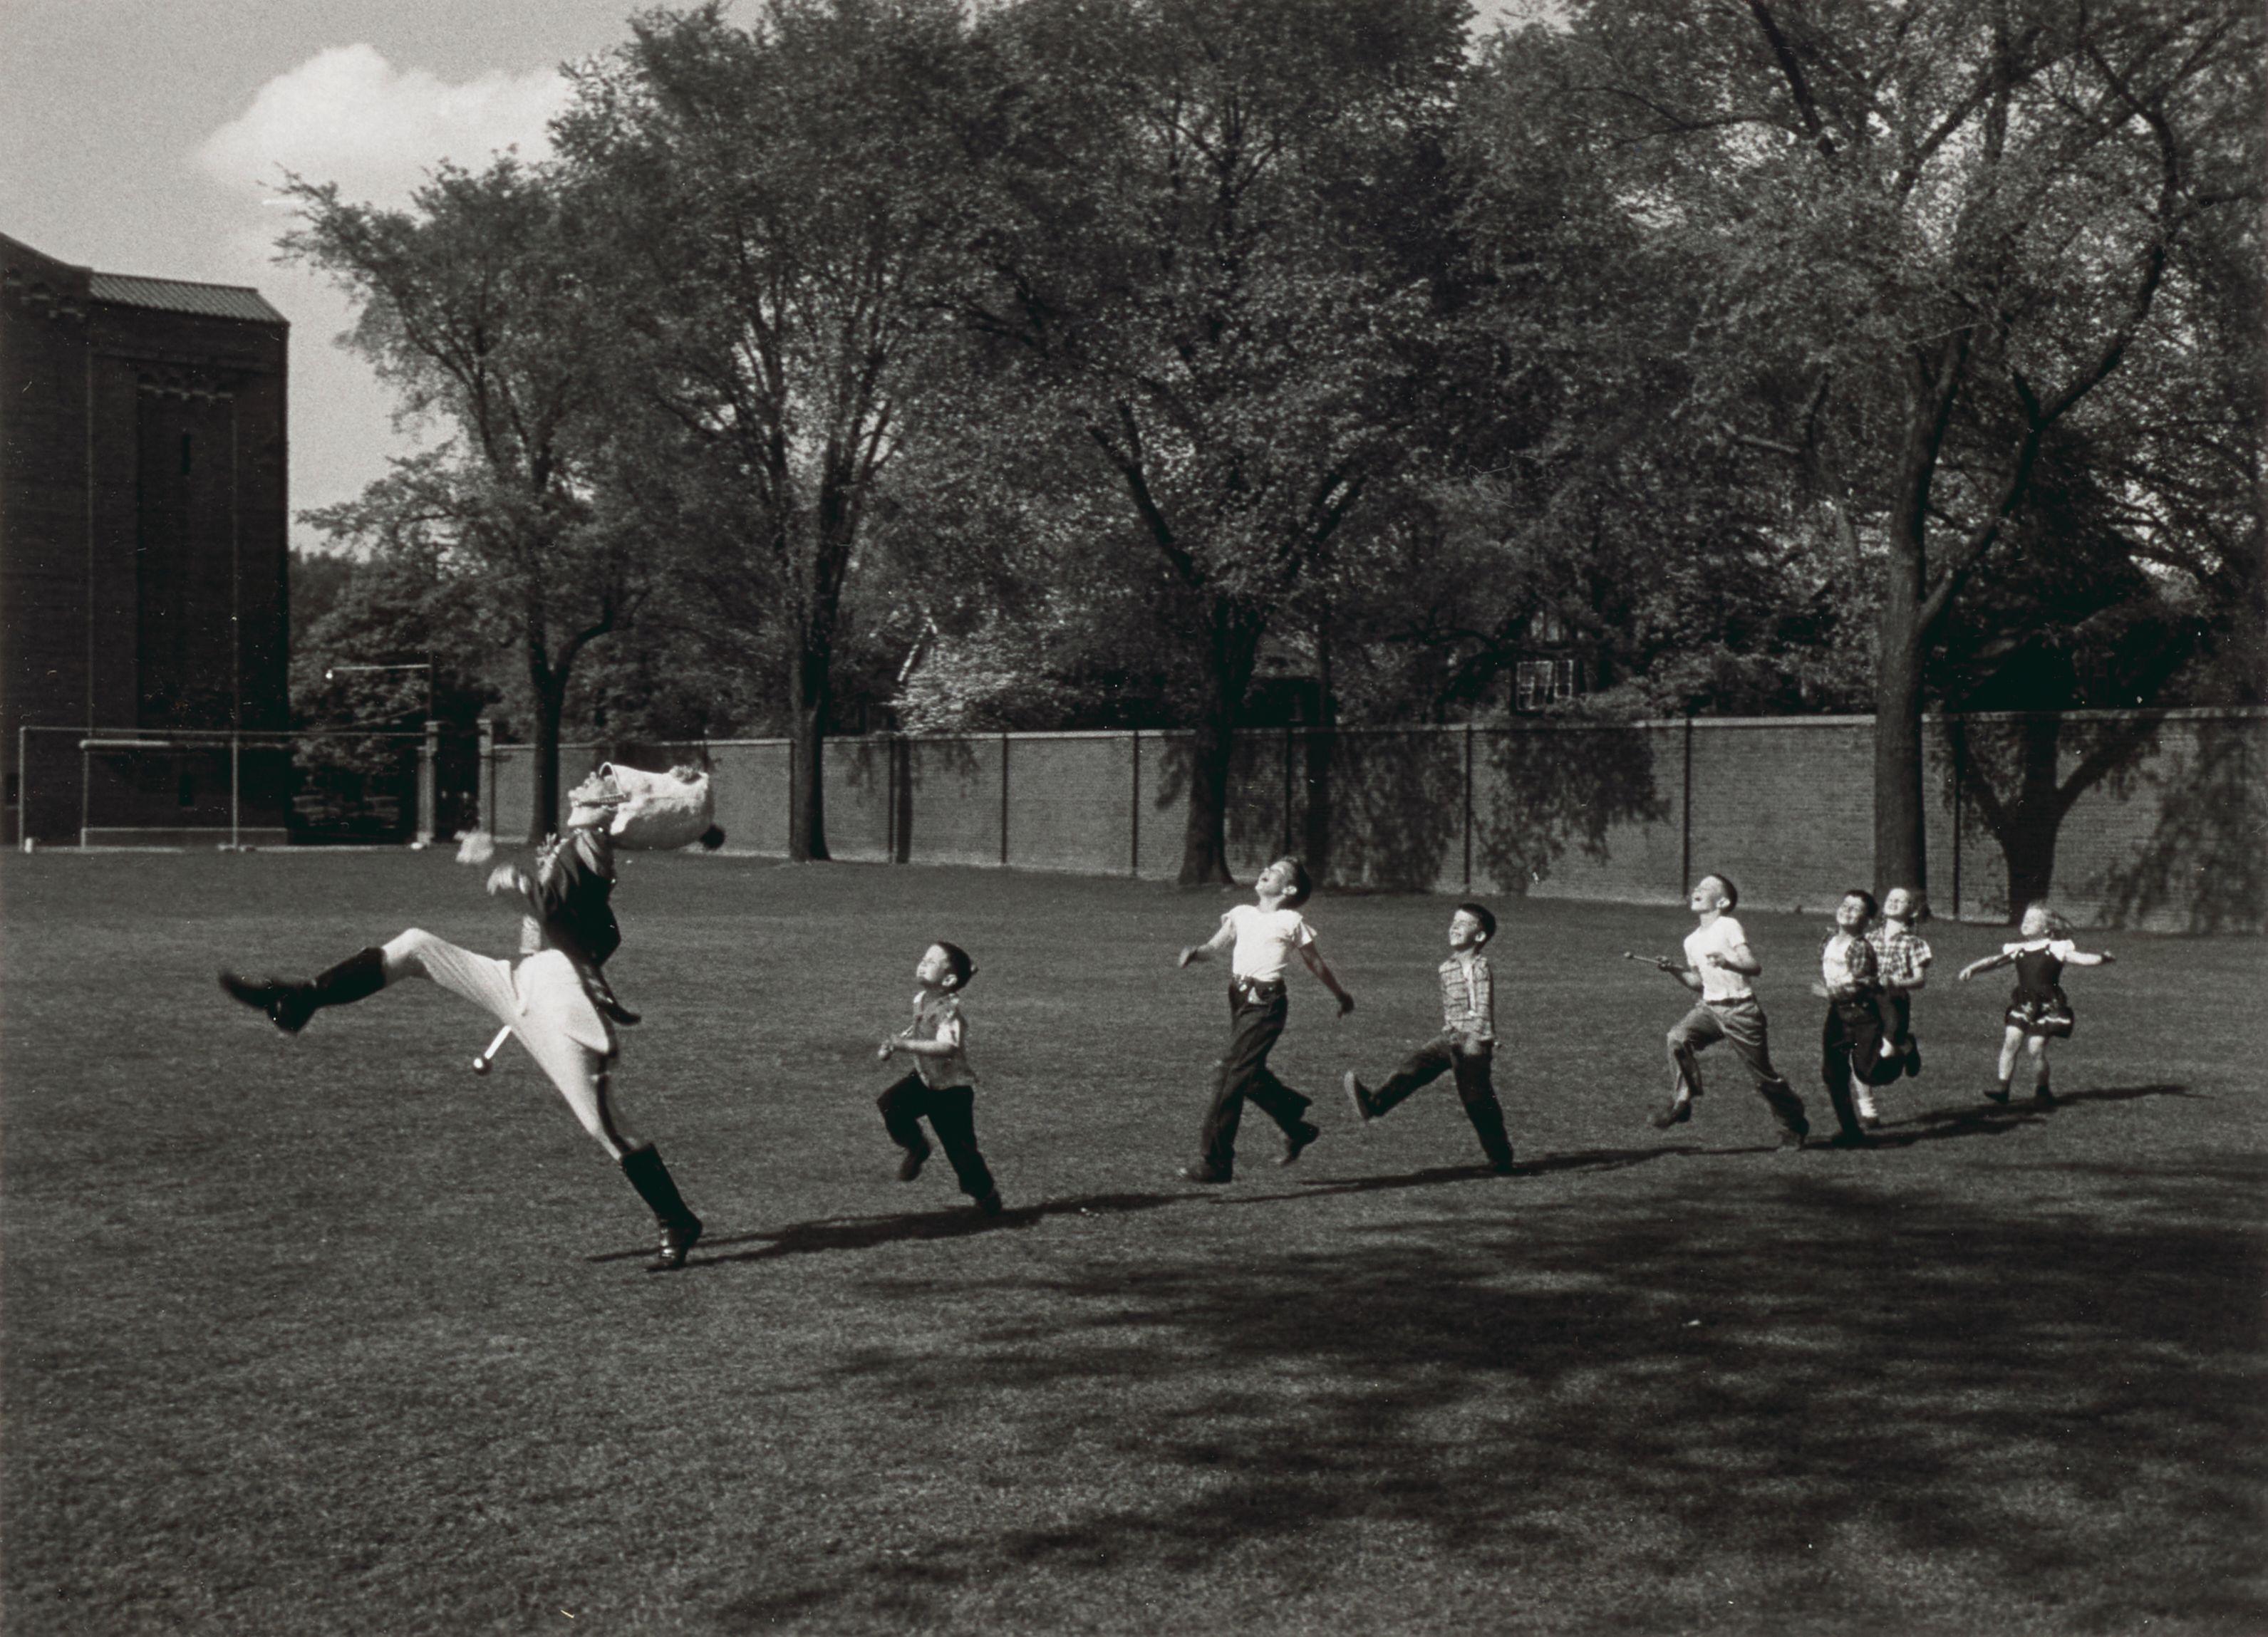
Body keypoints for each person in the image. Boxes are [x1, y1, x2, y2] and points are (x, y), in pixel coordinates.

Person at [218, 768, 705, 1272]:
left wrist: (507, 875)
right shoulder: (578, 845)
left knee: (604, 1125)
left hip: (557, 992)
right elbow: (602, 933)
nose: (580, 786)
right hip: (520, 976)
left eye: (596, 786)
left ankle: (676, 1219)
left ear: (612, 810)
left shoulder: (591, 849)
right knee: (414, 947)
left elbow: (561, 913)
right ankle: (301, 1000)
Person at [1176, 857, 1353, 1183]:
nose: (1266, 872)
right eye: (1268, 868)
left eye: (1277, 873)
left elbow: (1315, 963)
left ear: (1289, 889)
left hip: (1267, 1005)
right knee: (1249, 1074)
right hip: (1240, 999)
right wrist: (1196, 953)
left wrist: (1340, 995)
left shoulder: (1291, 921)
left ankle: (1216, 1162)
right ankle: (1293, 1120)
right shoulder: (1241, 913)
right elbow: (1216, 945)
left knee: (1229, 1074)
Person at [1342, 902, 1514, 1175]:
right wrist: (1449, 1028)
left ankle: (1501, 1159)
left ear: (1479, 936)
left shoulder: (1481, 967)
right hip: (1451, 1038)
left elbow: (1483, 1005)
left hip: (1473, 1043)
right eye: (1453, 922)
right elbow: (1451, 1006)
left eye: (1463, 924)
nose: (1454, 927)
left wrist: (1481, 1036)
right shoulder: (1445, 968)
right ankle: (1374, 1104)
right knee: (1413, 1067)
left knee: (1478, 1102)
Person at [1649, 873, 1810, 1148]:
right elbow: (1698, 983)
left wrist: (1728, 963)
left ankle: (1793, 1122)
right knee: (1676, 1038)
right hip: (1710, 1009)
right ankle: (1682, 1101)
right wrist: (1675, 970)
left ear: (1722, 901)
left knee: (1763, 1078)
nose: (1697, 889)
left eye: (1706, 888)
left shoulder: (1728, 925)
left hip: (1741, 1010)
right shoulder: (1691, 941)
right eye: (1697, 886)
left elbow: (1754, 967)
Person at [875, 940, 1002, 1216]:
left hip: (951, 1092)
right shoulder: (921, 999)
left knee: (961, 1151)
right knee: (890, 1104)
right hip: (925, 1080)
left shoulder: (949, 1013)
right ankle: (917, 1146)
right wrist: (896, 1042)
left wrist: (904, 1045)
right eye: (923, 958)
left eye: (931, 962)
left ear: (948, 979)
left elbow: (947, 1047)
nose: (922, 963)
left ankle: (986, 1195)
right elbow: (918, 1024)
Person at [1957, 903, 2114, 1108]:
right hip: (2023, 1003)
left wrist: (2102, 958)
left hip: (2048, 1005)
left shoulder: (2057, 948)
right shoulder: (2018, 949)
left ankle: (2042, 1090)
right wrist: (1973, 968)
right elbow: (1994, 961)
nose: (2026, 923)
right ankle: (2002, 1089)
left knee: (2035, 1048)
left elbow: (2081, 958)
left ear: (2047, 928)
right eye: (2025, 920)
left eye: (2032, 921)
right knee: (2011, 1041)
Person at [1810, 889, 1886, 1145]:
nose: (1847, 910)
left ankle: (1904, 1047)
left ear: (1866, 921)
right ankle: (1850, 1131)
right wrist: (1833, 995)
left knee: (1867, 1072)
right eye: (1845, 905)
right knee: (1833, 1073)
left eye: (1856, 909)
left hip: (1862, 1013)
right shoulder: (1828, 939)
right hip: (1838, 1014)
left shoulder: (1861, 947)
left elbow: (1863, 983)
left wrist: (1832, 992)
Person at [1864, 885, 1932, 1108]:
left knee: (1886, 1053)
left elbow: (1920, 980)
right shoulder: (1869, 938)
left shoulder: (1914, 943)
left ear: (1912, 911)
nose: (1893, 902)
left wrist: (1896, 982)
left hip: (1894, 1002)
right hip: (1868, 999)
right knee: (1864, 1049)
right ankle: (1867, 1105)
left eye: (1901, 900)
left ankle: (1905, 1047)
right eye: (1890, 898)